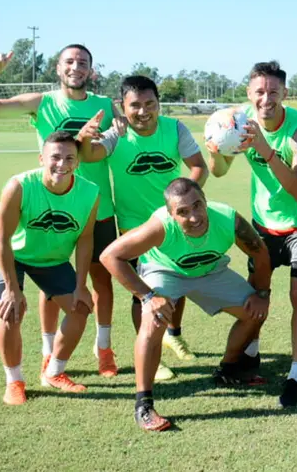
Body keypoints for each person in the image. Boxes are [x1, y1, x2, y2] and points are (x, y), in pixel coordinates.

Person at [0, 46, 122, 377]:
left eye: (82, 62)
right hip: (50, 202)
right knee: (50, 280)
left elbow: (124, 130)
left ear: (91, 70)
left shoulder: (105, 105)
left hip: (95, 207)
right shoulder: (42, 102)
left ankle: (104, 349)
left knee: (101, 282)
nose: (76, 67)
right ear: (58, 68)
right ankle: (47, 351)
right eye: (69, 61)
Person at [100, 178, 272, 432]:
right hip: (165, 271)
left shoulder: (228, 219)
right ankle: (143, 405)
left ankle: (228, 369)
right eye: (182, 212)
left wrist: (262, 293)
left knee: (255, 312)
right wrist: (147, 297)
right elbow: (110, 256)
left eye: (197, 205)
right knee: (153, 321)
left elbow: (260, 252)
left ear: (205, 201)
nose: (194, 217)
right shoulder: (159, 227)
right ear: (171, 214)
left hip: (211, 270)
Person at [79, 75, 209, 380]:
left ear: (158, 103)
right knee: (144, 293)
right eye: (135, 105)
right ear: (122, 106)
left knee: (178, 281)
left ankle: (173, 334)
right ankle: (150, 352)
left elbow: (199, 167)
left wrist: (183, 204)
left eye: (150, 104)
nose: (143, 111)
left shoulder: (175, 128)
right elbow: (89, 155)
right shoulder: (117, 132)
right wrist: (85, 137)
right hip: (134, 229)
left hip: (173, 224)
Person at [206, 61, 297, 406]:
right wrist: (216, 150)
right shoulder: (237, 120)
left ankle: (296, 375)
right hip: (262, 227)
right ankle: (250, 356)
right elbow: (219, 172)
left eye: (273, 92)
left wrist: (264, 149)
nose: (266, 98)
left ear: (285, 93)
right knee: (257, 297)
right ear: (249, 93)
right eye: (259, 91)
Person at [0, 131, 99, 405]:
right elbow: (2, 240)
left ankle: (54, 372)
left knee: (81, 307)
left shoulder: (90, 192)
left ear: (77, 162)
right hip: (10, 254)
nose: (62, 164)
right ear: (41, 159)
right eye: (55, 157)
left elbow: (85, 239)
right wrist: (11, 289)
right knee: (11, 312)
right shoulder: (19, 186)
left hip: (51, 259)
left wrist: (81, 286)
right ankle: (14, 381)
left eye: (69, 158)